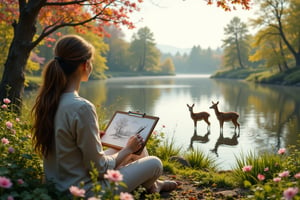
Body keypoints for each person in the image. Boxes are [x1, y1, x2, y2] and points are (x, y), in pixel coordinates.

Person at [31, 34, 177, 198]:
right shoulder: (82, 107)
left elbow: (68, 146)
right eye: (91, 61)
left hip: (58, 185)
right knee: (154, 163)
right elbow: (99, 169)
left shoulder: (49, 101)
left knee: (126, 147)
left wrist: (96, 139)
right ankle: (153, 185)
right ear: (85, 65)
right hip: (85, 191)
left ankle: (154, 185)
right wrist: (128, 149)